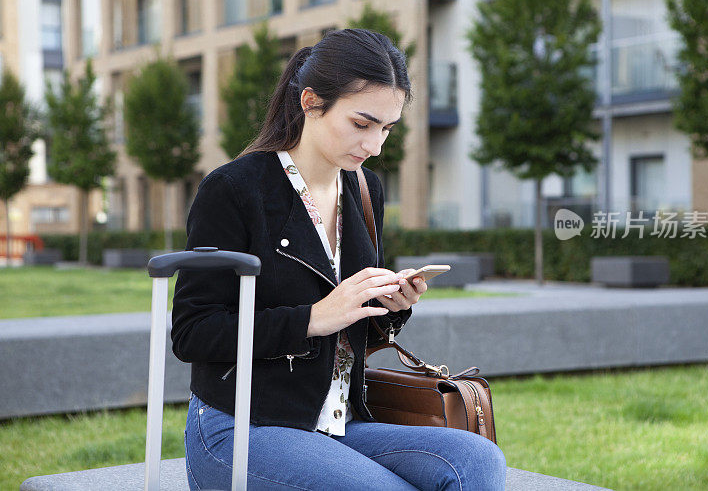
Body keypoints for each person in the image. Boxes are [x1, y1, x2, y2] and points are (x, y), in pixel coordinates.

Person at [171, 28, 507, 490]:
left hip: (339, 421)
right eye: (362, 124)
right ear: (311, 101)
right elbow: (192, 333)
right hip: (243, 425)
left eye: (386, 129)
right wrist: (314, 318)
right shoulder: (233, 190)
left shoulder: (365, 190)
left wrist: (391, 304)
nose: (375, 146)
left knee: (477, 461)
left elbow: (353, 333)